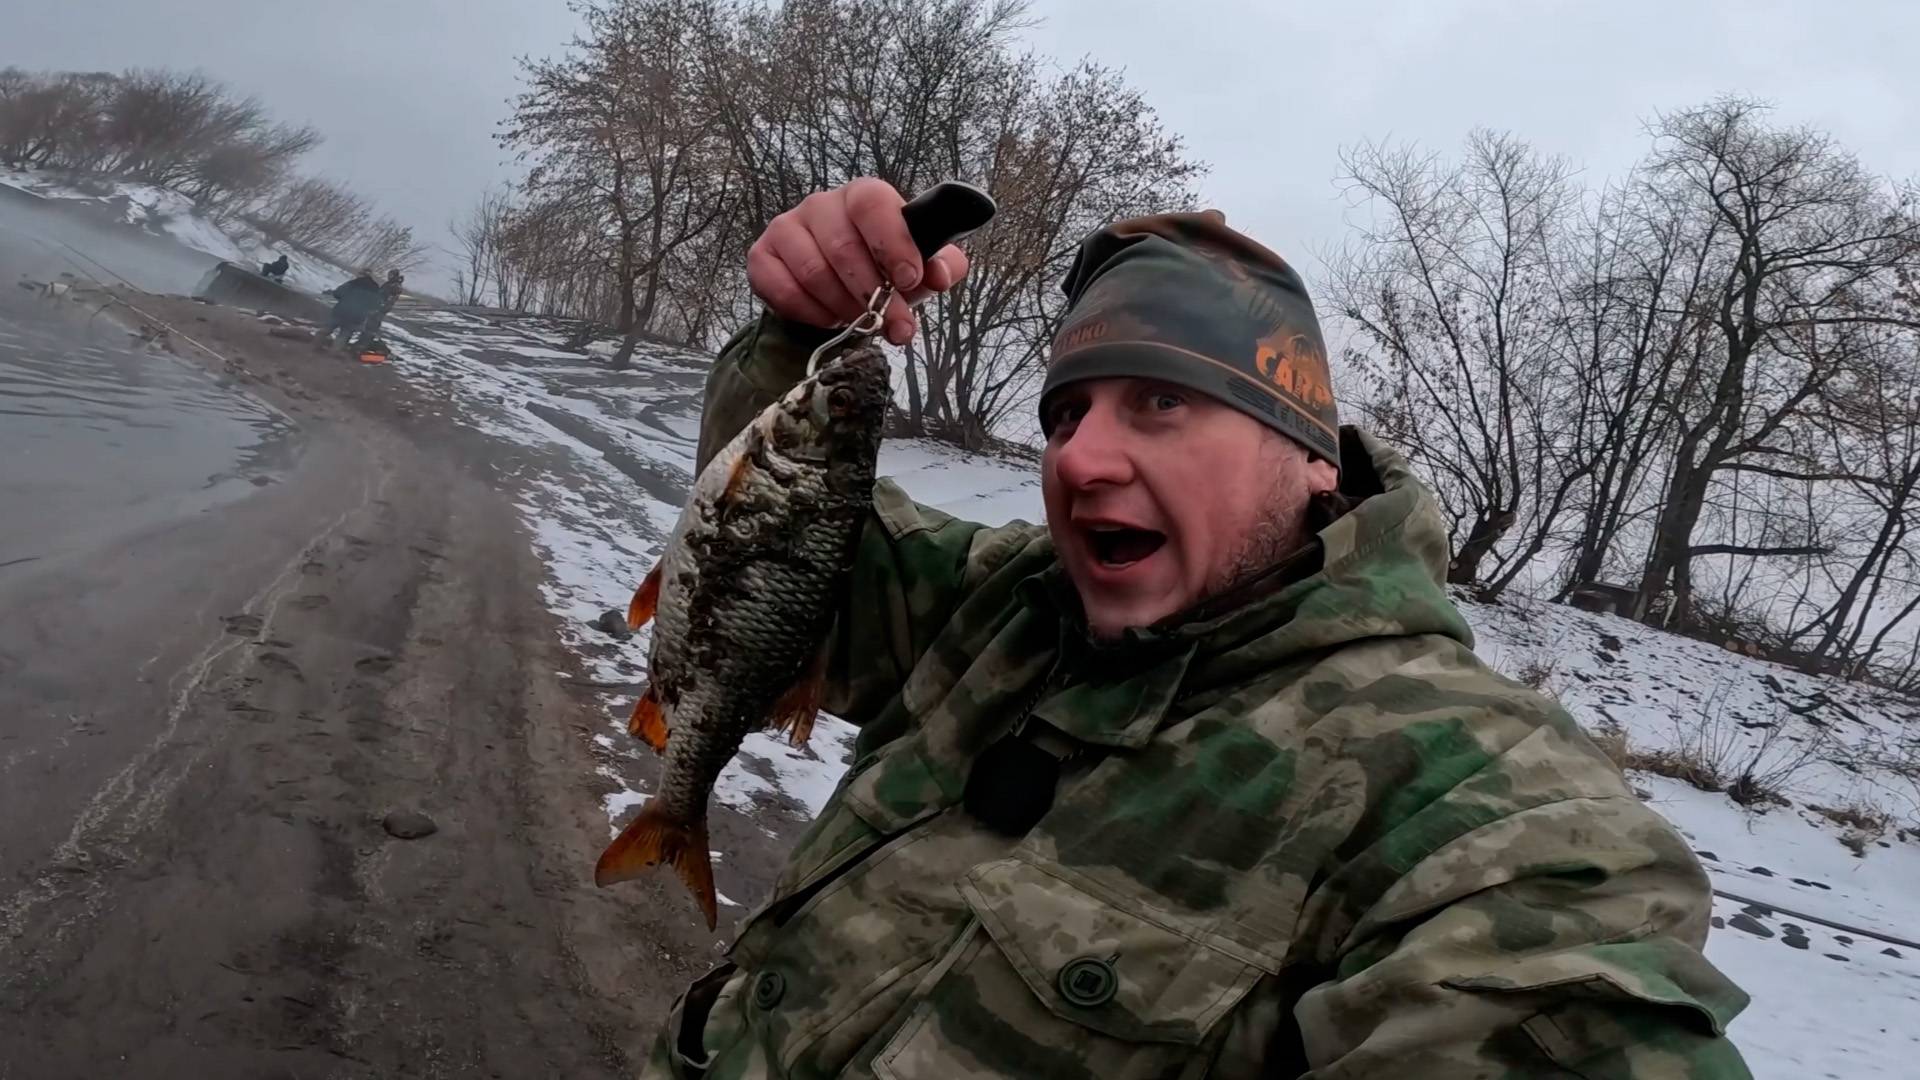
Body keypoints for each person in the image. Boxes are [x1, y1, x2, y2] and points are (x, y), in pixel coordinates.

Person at [637, 178, 1753, 1079]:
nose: (1078, 457)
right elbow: (770, 565)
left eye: (1160, 401)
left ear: (1312, 455)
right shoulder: (1007, 608)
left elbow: (1558, 993)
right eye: (1065, 413)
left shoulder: (1479, 802)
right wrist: (796, 339)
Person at [318, 268, 381, 352]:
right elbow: (376, 305)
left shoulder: (353, 283)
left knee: (327, 328)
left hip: (342, 311)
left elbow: (338, 293)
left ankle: (315, 346)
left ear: (362, 274)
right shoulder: (376, 288)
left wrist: (345, 299)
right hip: (357, 316)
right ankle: (333, 353)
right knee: (344, 335)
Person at [355, 269, 405, 346]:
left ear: (395, 275)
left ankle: (364, 344)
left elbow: (389, 299)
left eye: (391, 275)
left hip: (381, 309)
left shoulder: (395, 285)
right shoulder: (390, 283)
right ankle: (362, 342)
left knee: (372, 326)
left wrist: (379, 307)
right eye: (389, 274)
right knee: (368, 325)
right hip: (377, 307)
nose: (389, 276)